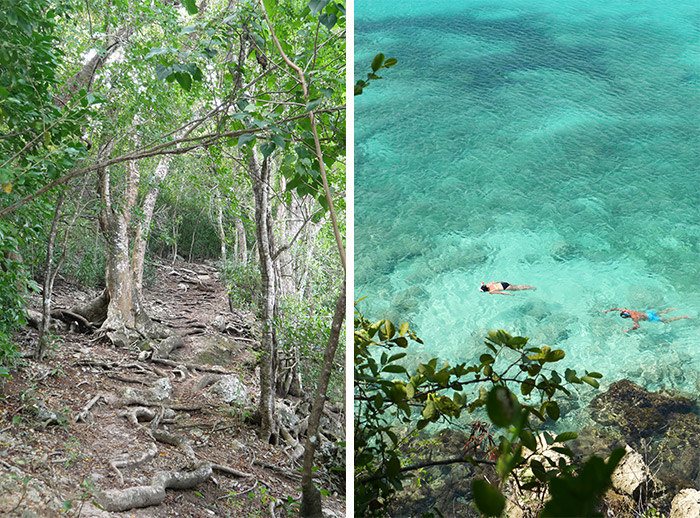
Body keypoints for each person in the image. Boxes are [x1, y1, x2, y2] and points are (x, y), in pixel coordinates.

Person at [602, 307, 690, 332]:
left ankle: (685, 317)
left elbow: (637, 326)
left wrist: (628, 330)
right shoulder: (628, 310)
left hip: (650, 317)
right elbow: (616, 309)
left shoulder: (634, 318)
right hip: (648, 312)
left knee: (666, 321)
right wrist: (606, 311)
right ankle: (673, 309)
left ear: (627, 316)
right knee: (663, 312)